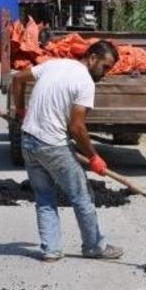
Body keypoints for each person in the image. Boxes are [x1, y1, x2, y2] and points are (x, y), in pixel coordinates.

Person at [11, 40, 123, 263]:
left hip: (29, 141)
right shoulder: (85, 83)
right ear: (92, 58)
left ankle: (51, 250)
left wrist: (21, 110)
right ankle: (94, 246)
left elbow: (17, 78)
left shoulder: (54, 64)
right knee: (81, 196)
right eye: (105, 67)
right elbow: (77, 127)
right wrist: (94, 157)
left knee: (44, 197)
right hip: (53, 145)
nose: (106, 74)